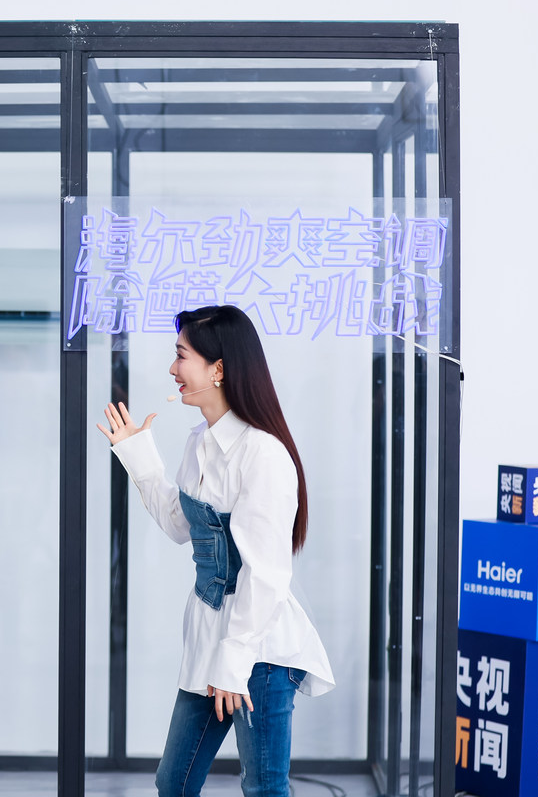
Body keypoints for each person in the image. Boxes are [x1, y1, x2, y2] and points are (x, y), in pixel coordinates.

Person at [97, 304, 334, 797]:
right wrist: (138, 457)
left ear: (218, 368)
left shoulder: (262, 453)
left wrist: (235, 660)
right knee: (174, 783)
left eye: (181, 355)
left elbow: (266, 574)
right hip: (210, 640)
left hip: (260, 650)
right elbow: (180, 525)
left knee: (265, 788)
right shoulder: (198, 442)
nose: (173, 368)